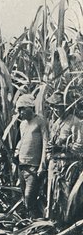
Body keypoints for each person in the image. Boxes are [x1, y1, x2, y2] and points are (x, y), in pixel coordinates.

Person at [45, 91, 82, 223]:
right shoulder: (55, 122)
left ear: (67, 106)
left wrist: (61, 148)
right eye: (54, 106)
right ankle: (54, 221)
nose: (56, 109)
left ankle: (67, 222)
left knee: (66, 194)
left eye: (59, 106)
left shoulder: (75, 122)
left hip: (67, 165)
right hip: (54, 163)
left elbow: (79, 145)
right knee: (53, 194)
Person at [14, 94, 48, 218]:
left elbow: (45, 143)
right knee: (24, 196)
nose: (20, 113)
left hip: (33, 166)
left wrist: (42, 166)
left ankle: (35, 222)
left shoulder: (40, 121)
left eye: (22, 109)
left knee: (30, 197)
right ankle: (29, 223)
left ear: (30, 108)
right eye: (19, 110)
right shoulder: (23, 124)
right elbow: (21, 140)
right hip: (22, 166)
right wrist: (17, 153)